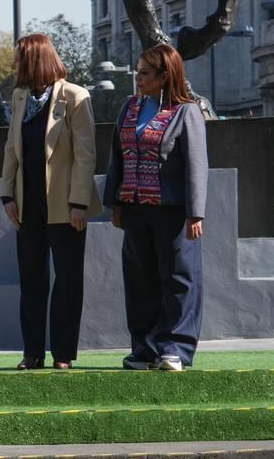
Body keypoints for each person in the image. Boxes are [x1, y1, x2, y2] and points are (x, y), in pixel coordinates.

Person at [103, 43, 208, 372]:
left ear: (165, 77)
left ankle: (174, 348)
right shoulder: (129, 107)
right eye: (138, 71)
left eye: (145, 73)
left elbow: (196, 165)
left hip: (173, 211)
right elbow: (116, 156)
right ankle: (144, 349)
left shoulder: (186, 111)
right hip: (134, 209)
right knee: (139, 280)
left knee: (178, 279)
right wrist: (114, 201)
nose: (138, 78)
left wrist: (196, 213)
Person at [0, 34, 100, 370]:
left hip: (66, 205)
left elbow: (86, 156)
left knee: (68, 281)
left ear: (35, 60)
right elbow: (12, 148)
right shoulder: (19, 97)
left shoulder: (75, 96)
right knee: (31, 279)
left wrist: (79, 204)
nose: (15, 65)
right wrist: (7, 194)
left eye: (20, 58)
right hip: (27, 206)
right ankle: (32, 352)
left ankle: (63, 354)